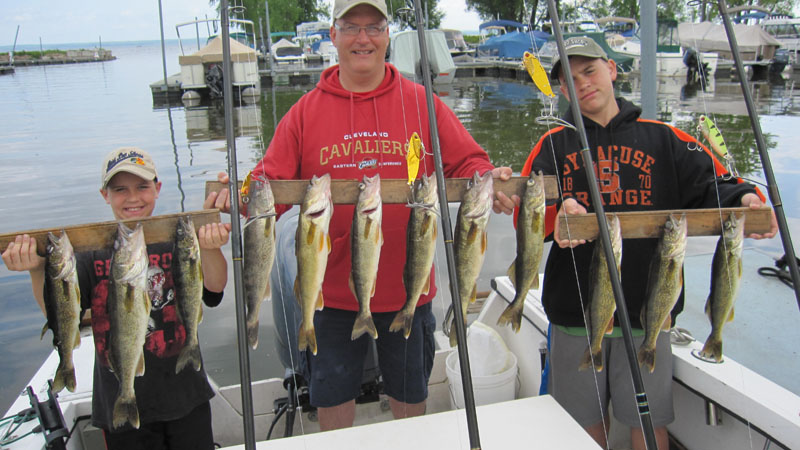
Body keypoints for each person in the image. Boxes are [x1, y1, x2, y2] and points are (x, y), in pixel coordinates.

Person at [215, 0, 516, 431]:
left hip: (409, 289)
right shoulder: (304, 111)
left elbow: (469, 162)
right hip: (331, 295)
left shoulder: (422, 103)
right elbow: (269, 181)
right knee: (333, 400)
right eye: (351, 27)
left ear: (387, 35)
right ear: (333, 35)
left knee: (411, 398)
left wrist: (491, 180)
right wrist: (239, 191)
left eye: (373, 27)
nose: (363, 38)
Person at [522, 36, 778, 450]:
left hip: (650, 315)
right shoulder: (552, 145)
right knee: (581, 427)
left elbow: (717, 185)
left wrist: (747, 200)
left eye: (590, 70)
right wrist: (560, 211)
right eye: (570, 78)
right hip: (575, 312)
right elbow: (532, 211)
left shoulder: (666, 139)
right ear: (563, 90)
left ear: (612, 70)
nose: (583, 83)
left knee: (649, 425)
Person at [2, 147, 232, 449]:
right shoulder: (88, 253)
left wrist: (211, 248)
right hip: (116, 398)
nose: (133, 197)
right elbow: (58, 312)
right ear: (104, 195)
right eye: (120, 190)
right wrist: (36, 271)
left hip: (186, 395)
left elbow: (213, 291)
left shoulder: (175, 239)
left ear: (157, 189)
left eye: (142, 187)